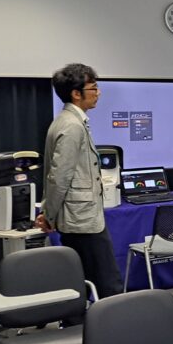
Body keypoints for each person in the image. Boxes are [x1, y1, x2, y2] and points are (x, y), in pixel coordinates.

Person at [37, 64, 122, 298]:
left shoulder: (68, 121)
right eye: (93, 88)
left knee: (81, 279)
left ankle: (80, 317)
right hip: (82, 219)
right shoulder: (72, 126)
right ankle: (113, 319)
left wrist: (49, 212)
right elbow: (59, 177)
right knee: (108, 282)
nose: (98, 93)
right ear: (76, 93)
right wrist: (49, 214)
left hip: (79, 217)